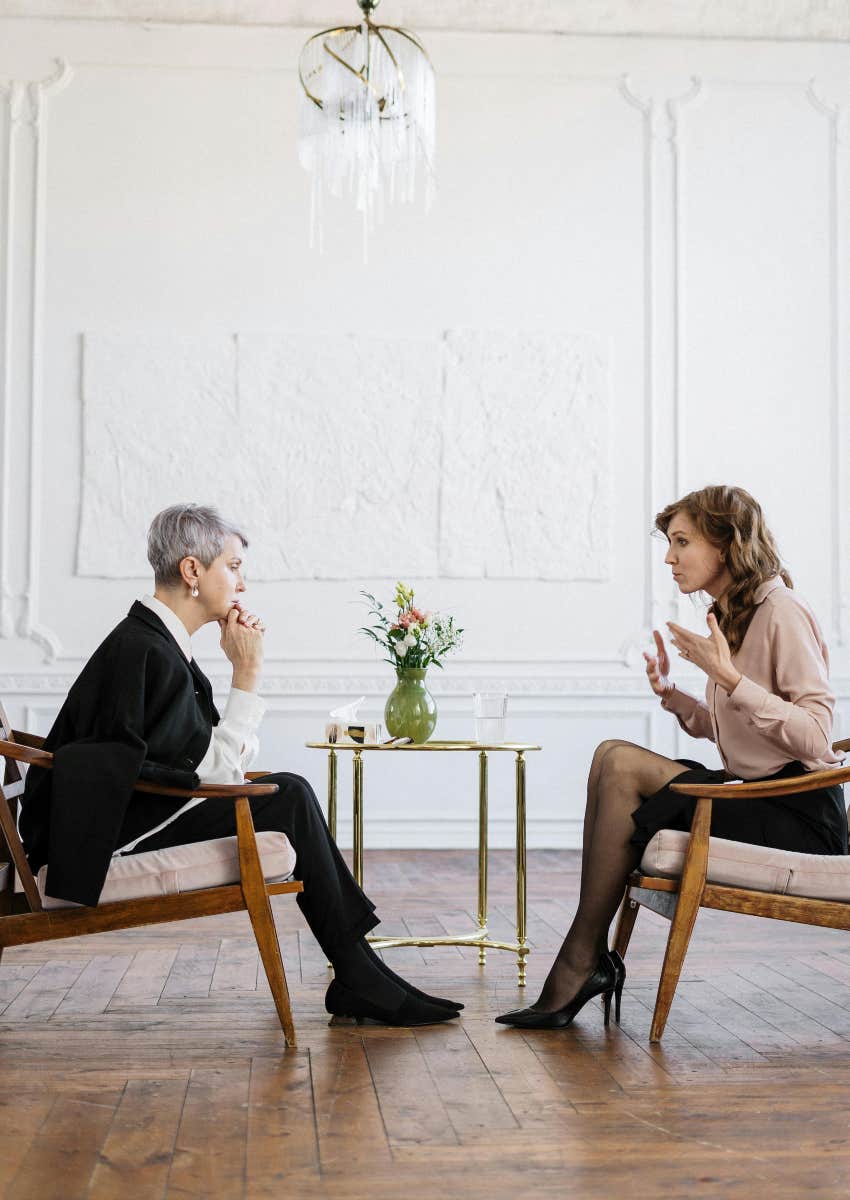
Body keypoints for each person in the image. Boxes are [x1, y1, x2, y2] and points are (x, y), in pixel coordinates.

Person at [20, 503, 463, 1027]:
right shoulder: (148, 650)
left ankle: (360, 972)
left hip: (119, 815)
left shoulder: (153, 642)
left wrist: (237, 678)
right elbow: (215, 775)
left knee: (287, 791)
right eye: (233, 566)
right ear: (192, 571)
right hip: (103, 838)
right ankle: (359, 974)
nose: (242, 584)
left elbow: (202, 762)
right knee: (289, 794)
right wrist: (247, 673)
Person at [497, 484, 847, 1030]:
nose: (669, 556)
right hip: (753, 794)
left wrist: (728, 676)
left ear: (727, 544)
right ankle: (584, 957)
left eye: (682, 541)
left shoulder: (783, 611)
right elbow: (742, 734)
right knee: (612, 753)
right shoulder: (733, 613)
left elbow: (818, 738)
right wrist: (675, 697)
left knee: (620, 763)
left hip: (799, 815)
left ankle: (581, 959)